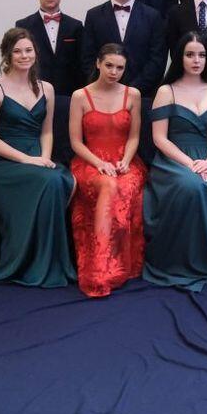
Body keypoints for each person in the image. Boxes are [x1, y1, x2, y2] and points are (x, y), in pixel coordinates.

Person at [0, 28, 76, 288]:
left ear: (35, 52)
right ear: (7, 55)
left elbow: (47, 132)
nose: (24, 56)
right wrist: (26, 160)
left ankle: (51, 261)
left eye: (28, 50)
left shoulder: (47, 88)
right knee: (51, 181)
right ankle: (31, 263)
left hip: (37, 157)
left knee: (59, 179)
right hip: (4, 162)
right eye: (17, 51)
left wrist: (43, 157)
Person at [144, 33, 207, 290]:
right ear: (179, 57)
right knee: (190, 186)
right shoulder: (166, 91)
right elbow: (159, 138)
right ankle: (182, 261)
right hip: (174, 157)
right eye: (190, 54)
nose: (196, 60)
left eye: (201, 55)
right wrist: (190, 164)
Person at [67, 45, 146, 298]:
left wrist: (126, 160)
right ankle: (99, 268)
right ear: (98, 63)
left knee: (122, 186)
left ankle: (118, 265)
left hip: (125, 162)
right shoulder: (80, 96)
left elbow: (134, 137)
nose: (114, 72)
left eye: (120, 68)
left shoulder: (133, 95)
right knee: (108, 186)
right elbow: (76, 142)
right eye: (109, 65)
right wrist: (98, 163)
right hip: (90, 161)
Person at [81, 0, 168, 98]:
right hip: (102, 95)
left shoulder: (153, 16)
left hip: (142, 95)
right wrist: (103, 87)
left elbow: (157, 60)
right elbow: (88, 58)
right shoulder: (94, 15)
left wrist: (132, 90)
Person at [15, 0, 84, 97]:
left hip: (69, 95)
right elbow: (19, 63)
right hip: (33, 94)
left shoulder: (76, 26)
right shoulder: (23, 26)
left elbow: (81, 63)